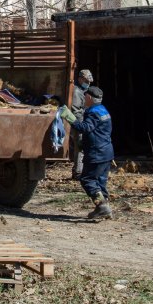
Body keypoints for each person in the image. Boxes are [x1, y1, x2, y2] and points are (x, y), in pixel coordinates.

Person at [59, 86, 114, 219]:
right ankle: (105, 208)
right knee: (100, 181)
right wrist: (84, 143)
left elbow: (85, 128)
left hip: (97, 153)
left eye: (85, 96)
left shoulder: (93, 112)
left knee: (87, 179)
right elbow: (99, 131)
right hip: (107, 152)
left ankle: (102, 206)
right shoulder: (103, 110)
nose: (84, 99)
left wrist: (69, 117)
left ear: (89, 97)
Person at [71, 69, 93, 179]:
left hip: (82, 123)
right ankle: (78, 172)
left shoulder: (83, 90)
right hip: (79, 124)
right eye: (86, 81)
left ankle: (80, 170)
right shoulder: (76, 92)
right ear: (80, 79)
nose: (88, 84)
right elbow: (76, 111)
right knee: (80, 146)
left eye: (89, 82)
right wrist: (83, 125)